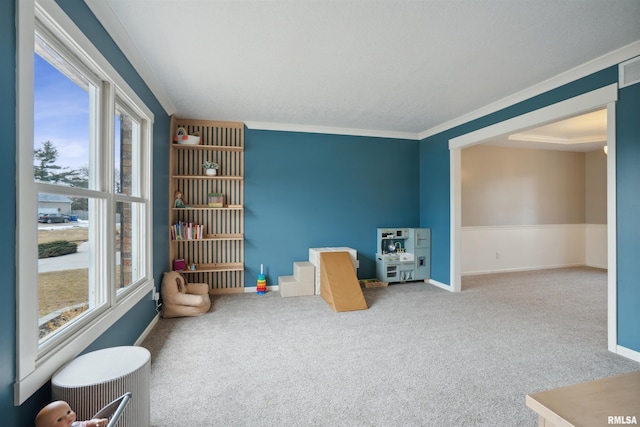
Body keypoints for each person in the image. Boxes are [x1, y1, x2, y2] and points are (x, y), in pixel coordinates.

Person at [35, 400, 108, 427]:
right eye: (59, 419)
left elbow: (87, 424)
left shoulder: (75, 425)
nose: (67, 417)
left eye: (68, 412)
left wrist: (96, 422)